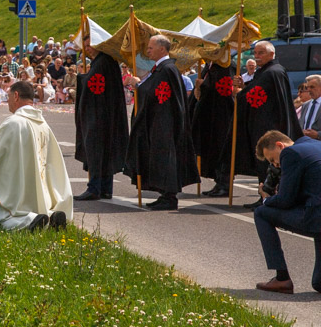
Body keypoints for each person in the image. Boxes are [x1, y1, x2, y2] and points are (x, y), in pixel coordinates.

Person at [0, 81, 73, 231]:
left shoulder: (14, 122)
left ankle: (29, 221)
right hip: (38, 190)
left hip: (16, 189)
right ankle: (50, 217)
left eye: (8, 96)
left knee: (4, 216)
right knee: (36, 205)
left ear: (16, 95)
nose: (7, 100)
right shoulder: (43, 125)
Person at [124, 35, 198, 210]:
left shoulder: (168, 69)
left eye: (151, 47)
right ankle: (164, 194)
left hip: (166, 123)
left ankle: (169, 196)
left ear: (162, 49)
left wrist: (138, 86)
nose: (148, 50)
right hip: (159, 122)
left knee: (166, 159)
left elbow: (157, 94)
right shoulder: (160, 69)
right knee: (159, 158)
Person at [233, 41, 303, 209]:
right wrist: (244, 86)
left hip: (270, 126)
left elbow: (260, 96)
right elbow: (257, 90)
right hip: (259, 125)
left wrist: (241, 93)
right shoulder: (264, 72)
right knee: (262, 164)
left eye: (261, 53)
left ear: (271, 54)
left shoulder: (274, 72)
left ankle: (269, 195)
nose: (257, 56)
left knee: (270, 164)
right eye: (255, 53)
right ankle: (263, 194)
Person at [251, 131, 321, 294]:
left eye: (273, 160)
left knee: (262, 213)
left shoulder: (290, 153)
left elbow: (285, 200)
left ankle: (282, 279)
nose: (276, 165)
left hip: (317, 217)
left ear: (279, 145)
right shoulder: (315, 144)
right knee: (318, 283)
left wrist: (267, 198)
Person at [74, 43, 128, 200]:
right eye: (85, 46)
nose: (87, 49)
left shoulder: (102, 62)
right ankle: (105, 188)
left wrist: (82, 77)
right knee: (104, 152)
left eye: (90, 46)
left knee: (96, 152)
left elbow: (93, 87)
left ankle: (95, 188)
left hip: (98, 116)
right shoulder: (104, 62)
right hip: (105, 114)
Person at [193, 61, 237, 197]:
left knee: (222, 149)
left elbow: (224, 90)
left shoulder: (226, 66)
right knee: (213, 149)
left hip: (222, 115)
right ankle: (219, 182)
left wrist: (203, 85)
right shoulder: (210, 65)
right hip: (210, 115)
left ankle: (225, 184)